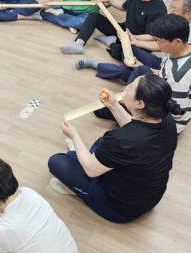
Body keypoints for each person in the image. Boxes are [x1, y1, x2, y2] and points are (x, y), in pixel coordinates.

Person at [48, 74, 183, 223]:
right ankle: (79, 162)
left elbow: (91, 170)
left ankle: (78, 186)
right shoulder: (167, 120)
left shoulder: (122, 140)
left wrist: (74, 136)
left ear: (140, 104)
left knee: (57, 162)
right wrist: (113, 105)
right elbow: (134, 129)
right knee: (103, 143)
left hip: (119, 209)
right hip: (149, 196)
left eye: (130, 88)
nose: (126, 88)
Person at [91, 15, 191, 135]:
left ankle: (125, 103)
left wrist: (137, 104)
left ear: (176, 42)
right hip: (164, 91)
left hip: (166, 124)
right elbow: (166, 74)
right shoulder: (189, 47)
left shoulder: (179, 77)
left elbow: (175, 113)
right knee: (141, 69)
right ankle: (126, 97)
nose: (157, 44)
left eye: (160, 41)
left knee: (102, 110)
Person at [75, 0, 191, 80]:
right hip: (164, 62)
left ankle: (96, 65)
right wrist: (134, 41)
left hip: (168, 74)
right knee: (129, 50)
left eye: (174, 9)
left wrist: (145, 69)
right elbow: (159, 42)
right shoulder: (179, 25)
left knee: (131, 71)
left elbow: (173, 74)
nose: (168, 12)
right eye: (170, 7)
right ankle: (112, 45)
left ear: (188, 14)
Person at [59, 0, 166, 55]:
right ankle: (78, 44)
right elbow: (124, 6)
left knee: (123, 54)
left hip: (136, 39)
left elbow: (152, 37)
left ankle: (111, 41)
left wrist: (131, 38)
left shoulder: (158, 9)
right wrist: (108, 0)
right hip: (123, 30)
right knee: (94, 16)